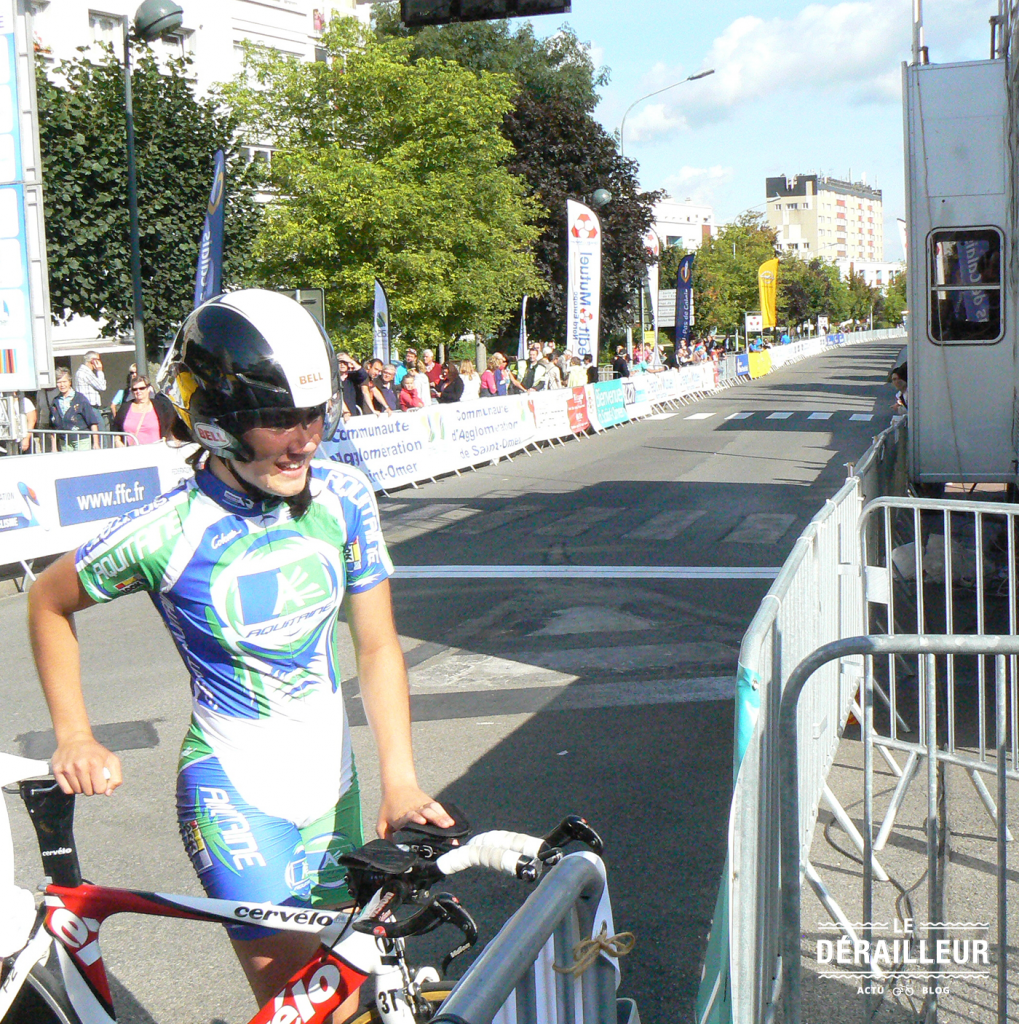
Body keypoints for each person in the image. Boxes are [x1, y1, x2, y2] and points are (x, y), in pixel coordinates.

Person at [27, 289, 451, 1017]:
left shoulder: (343, 497)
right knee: (306, 1006)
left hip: (336, 790)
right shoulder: (168, 530)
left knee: (355, 995)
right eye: (277, 419)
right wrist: (75, 733)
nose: (304, 439)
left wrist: (402, 781)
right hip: (236, 798)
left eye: (313, 415)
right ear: (219, 422)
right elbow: (47, 601)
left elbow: (377, 648)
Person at [111, 375, 175, 445]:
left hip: (155, 451)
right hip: (132, 453)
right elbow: (116, 427)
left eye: (142, 388)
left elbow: (171, 425)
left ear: (149, 389)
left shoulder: (159, 406)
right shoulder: (125, 407)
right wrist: (117, 441)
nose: (138, 391)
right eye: (135, 389)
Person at [49, 368, 101, 451]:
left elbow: (92, 422)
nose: (62, 385)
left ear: (70, 382)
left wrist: (96, 443)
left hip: (81, 439)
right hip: (64, 441)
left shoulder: (80, 399)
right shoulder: (55, 402)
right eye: (59, 382)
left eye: (64, 381)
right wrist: (54, 447)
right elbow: (53, 427)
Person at [74, 350, 108, 428]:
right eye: (98, 360)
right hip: (90, 407)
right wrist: (100, 371)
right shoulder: (85, 372)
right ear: (93, 361)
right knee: (102, 433)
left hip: (85, 406)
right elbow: (102, 386)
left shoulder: (81, 371)